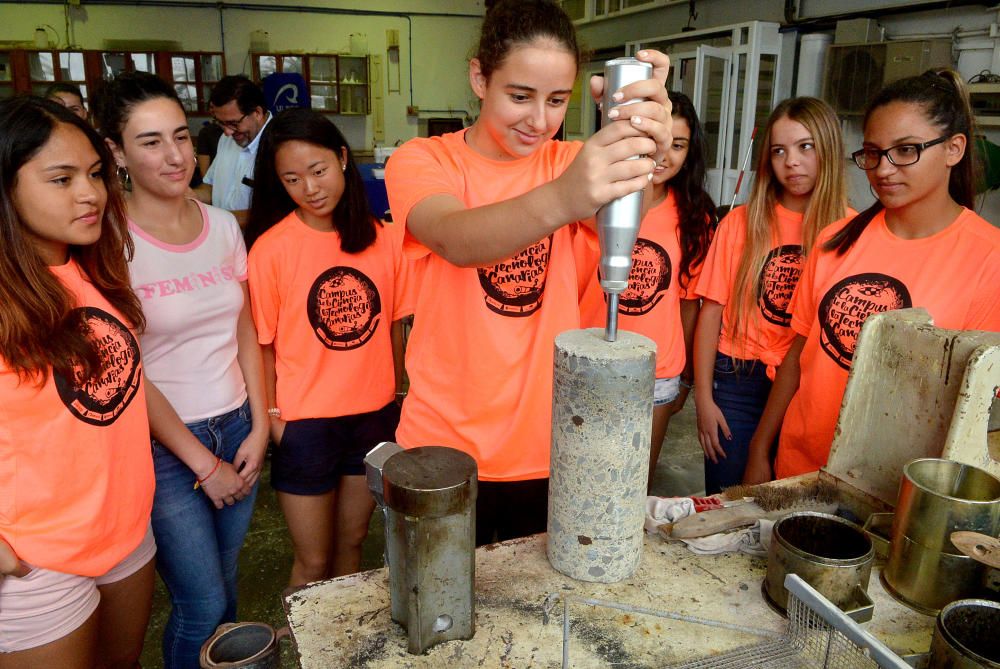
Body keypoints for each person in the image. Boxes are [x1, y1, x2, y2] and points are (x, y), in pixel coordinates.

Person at [385, 0, 672, 545]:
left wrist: (644, 145)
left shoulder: (568, 161)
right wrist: (569, 195)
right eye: (519, 96)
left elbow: (628, 212)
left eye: (557, 100)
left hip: (551, 447)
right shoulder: (424, 160)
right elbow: (455, 237)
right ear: (479, 77)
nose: (538, 120)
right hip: (443, 449)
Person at [742, 70, 1000, 484]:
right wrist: (760, 446)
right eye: (873, 153)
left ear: (954, 149)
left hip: (893, 486)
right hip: (799, 466)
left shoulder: (989, 259)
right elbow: (798, 356)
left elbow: (975, 406)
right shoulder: (834, 242)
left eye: (906, 150)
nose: (884, 168)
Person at [96, 72, 269, 668]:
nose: (176, 157)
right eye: (149, 142)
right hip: (166, 448)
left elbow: (243, 327)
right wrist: (203, 463)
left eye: (179, 136)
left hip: (237, 425)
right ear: (115, 150)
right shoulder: (108, 241)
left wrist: (260, 427)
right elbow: (124, 369)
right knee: (201, 602)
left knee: (226, 592)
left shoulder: (221, 225)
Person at [0, 96, 155, 667]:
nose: (90, 193)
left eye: (95, 174)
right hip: (36, 558)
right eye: (60, 179)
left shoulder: (89, 268)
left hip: (126, 534)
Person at [245, 108, 410, 586]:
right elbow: (264, 345)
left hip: (373, 419)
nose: (310, 188)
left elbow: (396, 328)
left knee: (353, 544)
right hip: (305, 425)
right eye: (292, 179)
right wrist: (276, 420)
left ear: (341, 158)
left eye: (317, 171)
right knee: (312, 562)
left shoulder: (385, 240)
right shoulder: (271, 249)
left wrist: (397, 397)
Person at [692, 97, 850, 493]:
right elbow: (711, 311)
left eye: (805, 147)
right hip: (736, 380)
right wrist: (704, 400)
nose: (791, 162)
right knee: (729, 501)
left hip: (807, 387)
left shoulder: (850, 230)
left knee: (788, 505)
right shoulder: (741, 222)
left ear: (828, 149)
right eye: (779, 150)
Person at [577, 90, 715, 491]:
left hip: (657, 371)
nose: (664, 154)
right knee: (581, 474)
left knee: (633, 482)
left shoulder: (695, 217)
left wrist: (686, 380)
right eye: (657, 141)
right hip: (591, 359)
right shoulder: (593, 202)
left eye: (678, 144)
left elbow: (688, 303)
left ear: (690, 153)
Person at [196, 75, 271, 227]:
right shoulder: (228, 138)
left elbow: (274, 212)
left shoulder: (281, 144)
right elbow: (211, 187)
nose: (227, 132)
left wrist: (214, 222)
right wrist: (189, 197)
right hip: (224, 240)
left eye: (233, 123)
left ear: (257, 112)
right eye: (221, 123)